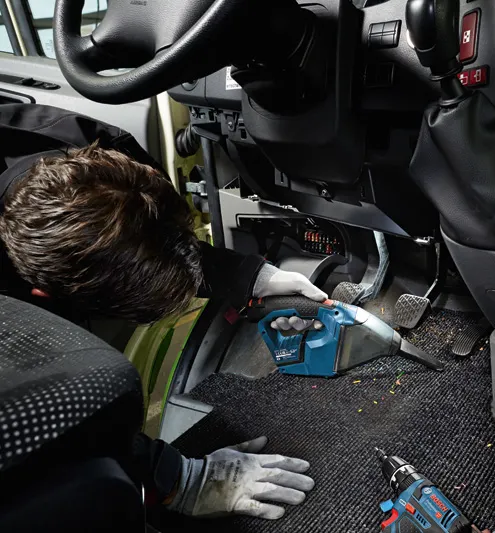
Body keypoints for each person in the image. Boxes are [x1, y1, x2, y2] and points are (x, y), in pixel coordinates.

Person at [0, 104, 325, 520]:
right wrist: (177, 479)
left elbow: (155, 238)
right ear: (43, 297)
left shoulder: (107, 151)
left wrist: (248, 276)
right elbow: (39, 423)